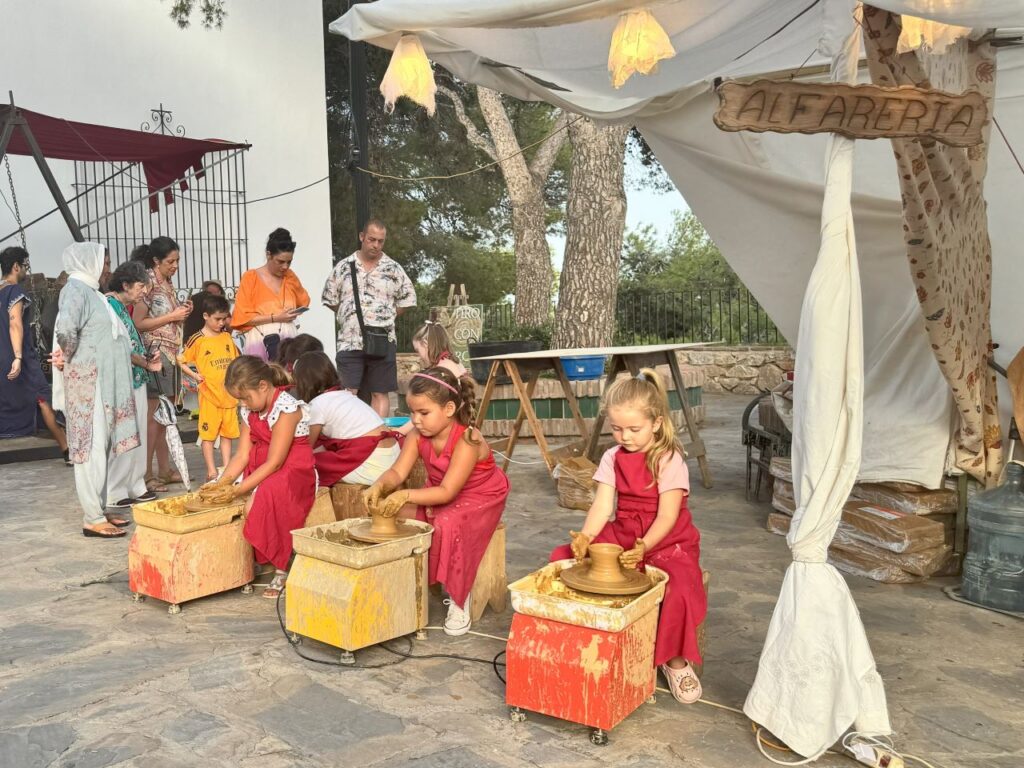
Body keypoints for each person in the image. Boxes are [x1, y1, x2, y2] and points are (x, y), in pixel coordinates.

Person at [550, 369, 707, 704]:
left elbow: (668, 514)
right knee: (563, 558)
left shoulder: (669, 458)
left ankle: (675, 661)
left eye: (634, 429)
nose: (625, 436)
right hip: (625, 530)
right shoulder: (611, 457)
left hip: (667, 538)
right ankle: (587, 632)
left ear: (657, 422)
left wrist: (645, 547)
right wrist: (586, 537)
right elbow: (602, 505)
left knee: (677, 586)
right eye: (617, 428)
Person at [363, 366, 509, 636]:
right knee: (402, 515)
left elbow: (447, 493)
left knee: (446, 521)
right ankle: (410, 582)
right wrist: (380, 485)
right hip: (442, 488)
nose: (416, 420)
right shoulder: (417, 436)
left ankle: (458, 596)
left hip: (480, 494)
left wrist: (405, 494)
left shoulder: (468, 439)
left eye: (424, 413)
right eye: (412, 412)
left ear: (450, 409)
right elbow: (398, 472)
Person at [201, 356, 315, 598]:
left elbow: (276, 462)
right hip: (263, 464)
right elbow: (242, 455)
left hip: (294, 467)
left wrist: (237, 490)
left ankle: (282, 564)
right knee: (220, 495)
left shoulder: (287, 408)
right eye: (240, 399)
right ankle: (257, 555)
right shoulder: (249, 408)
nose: (243, 403)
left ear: (263, 386)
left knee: (260, 500)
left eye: (246, 397)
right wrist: (221, 484)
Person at [52, 242, 140, 539]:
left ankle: (100, 508)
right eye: (105, 262)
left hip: (103, 382)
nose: (107, 269)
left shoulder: (93, 293)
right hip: (89, 384)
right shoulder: (75, 289)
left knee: (102, 446)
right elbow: (66, 330)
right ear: (89, 263)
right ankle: (92, 517)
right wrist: (68, 357)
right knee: (90, 447)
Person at [321, 219, 416, 418]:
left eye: (381, 241)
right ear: (362, 237)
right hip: (350, 340)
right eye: (372, 239)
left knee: (380, 392)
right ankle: (353, 438)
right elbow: (329, 297)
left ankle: (377, 437)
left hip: (382, 340)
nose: (376, 245)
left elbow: (409, 298)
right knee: (348, 394)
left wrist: (388, 316)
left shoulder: (393, 268)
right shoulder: (344, 267)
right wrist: (348, 314)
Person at [131, 237, 191, 492]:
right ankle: (146, 474)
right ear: (156, 261)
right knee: (154, 415)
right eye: (170, 261)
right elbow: (138, 322)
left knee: (165, 414)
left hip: (171, 351)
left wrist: (182, 313)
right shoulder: (148, 283)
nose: (175, 265)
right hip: (156, 353)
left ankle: (164, 469)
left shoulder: (166, 283)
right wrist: (173, 316)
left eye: (177, 260)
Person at [0, 247, 69, 461]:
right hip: (19, 360)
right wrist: (19, 358)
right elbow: (15, 325)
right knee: (43, 399)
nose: (27, 272)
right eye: (26, 267)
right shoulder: (14, 292)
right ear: (16, 267)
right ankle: (68, 450)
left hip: (3, 358)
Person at [292, 351, 400, 487]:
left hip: (375, 465)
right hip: (394, 458)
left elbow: (305, 448)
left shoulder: (317, 405)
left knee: (306, 466)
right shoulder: (345, 395)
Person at [105, 260, 161, 509]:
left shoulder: (122, 306)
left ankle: (135, 483)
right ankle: (115, 490)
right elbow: (118, 348)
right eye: (140, 286)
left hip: (136, 376)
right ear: (125, 284)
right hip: (121, 378)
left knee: (138, 430)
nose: (144, 292)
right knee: (124, 433)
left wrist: (145, 361)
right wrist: (144, 362)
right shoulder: (109, 306)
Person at [179, 294, 240, 481]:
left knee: (228, 434)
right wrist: (195, 376)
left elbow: (236, 361)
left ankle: (227, 467)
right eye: (218, 319)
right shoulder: (197, 339)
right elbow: (181, 360)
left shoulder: (227, 338)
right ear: (206, 316)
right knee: (209, 435)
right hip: (209, 396)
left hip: (229, 396)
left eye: (224, 319)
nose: (222, 323)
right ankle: (211, 470)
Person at [232, 228, 310, 362]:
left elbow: (304, 302)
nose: (285, 266)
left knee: (290, 380)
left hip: (289, 340)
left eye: (289, 262)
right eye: (280, 261)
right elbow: (242, 317)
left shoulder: (289, 276)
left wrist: (291, 312)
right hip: (260, 340)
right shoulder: (251, 278)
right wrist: (276, 317)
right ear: (269, 255)